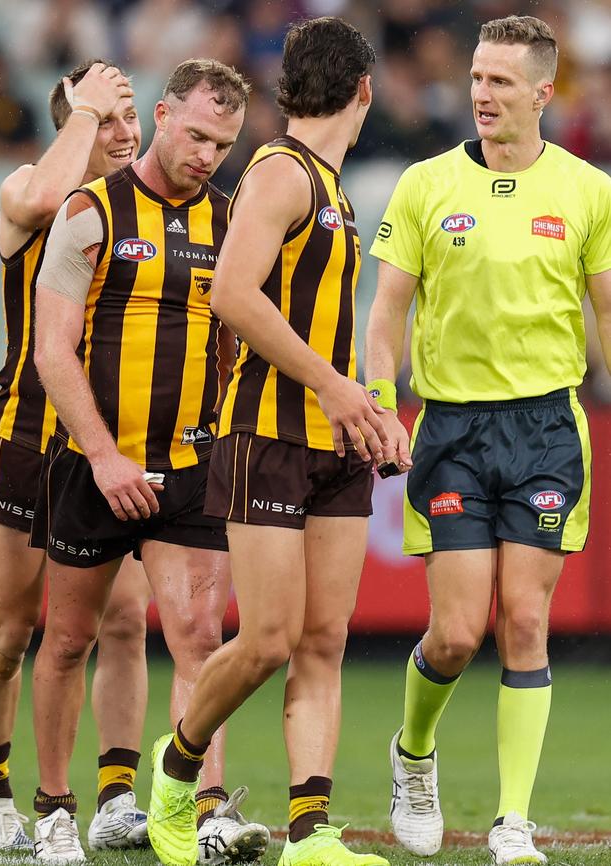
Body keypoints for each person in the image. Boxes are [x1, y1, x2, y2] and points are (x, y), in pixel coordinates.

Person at [365, 14, 611, 866]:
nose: (481, 93)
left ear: (545, 93)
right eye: (476, 77)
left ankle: (513, 822)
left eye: (501, 82)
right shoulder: (426, 185)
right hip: (453, 429)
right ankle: (416, 754)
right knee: (459, 633)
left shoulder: (587, 189)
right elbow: (387, 312)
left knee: (528, 622)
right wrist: (373, 399)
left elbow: (607, 314)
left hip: (546, 425)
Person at [145, 18, 391, 866]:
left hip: (335, 441)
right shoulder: (282, 172)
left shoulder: (332, 185)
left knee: (326, 639)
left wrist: (370, 409)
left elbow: (320, 322)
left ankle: (311, 832)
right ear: (364, 89)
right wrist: (331, 385)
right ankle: (176, 774)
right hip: (269, 432)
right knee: (267, 641)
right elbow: (235, 297)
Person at [31, 58, 270, 866]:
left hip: (192, 467)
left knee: (201, 636)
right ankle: (57, 807)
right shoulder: (88, 210)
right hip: (93, 467)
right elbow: (51, 350)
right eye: (197, 134)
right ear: (160, 114)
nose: (207, 154)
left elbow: (237, 341)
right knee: (68, 641)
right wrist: (102, 456)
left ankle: (198, 811)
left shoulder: (232, 221)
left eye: (224, 144)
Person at [0, 60, 152, 853]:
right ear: (73, 121)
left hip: (112, 446)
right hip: (28, 439)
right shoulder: (27, 188)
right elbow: (45, 198)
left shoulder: (148, 206)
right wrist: (85, 114)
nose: (125, 132)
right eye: (107, 119)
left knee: (124, 624)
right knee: (9, 634)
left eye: (130, 116)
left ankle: (116, 796)